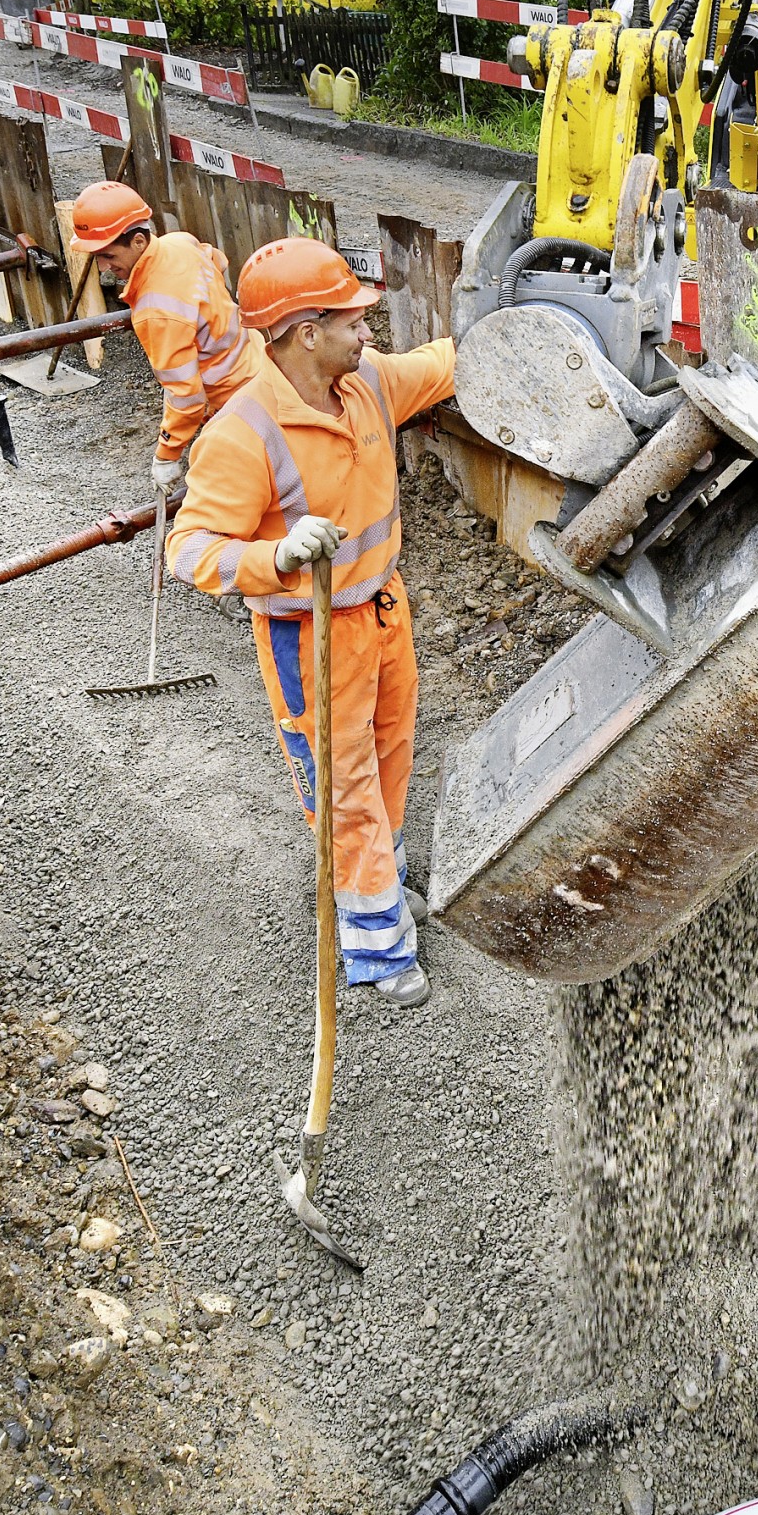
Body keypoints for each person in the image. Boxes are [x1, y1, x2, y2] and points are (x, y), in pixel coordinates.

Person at [166, 237, 457, 1005]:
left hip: (383, 613)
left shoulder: (365, 385)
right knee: (344, 787)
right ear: (306, 333)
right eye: (353, 320)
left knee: (392, 755)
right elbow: (190, 550)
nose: (369, 332)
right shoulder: (245, 431)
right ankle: (378, 948)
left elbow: (443, 363)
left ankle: (381, 888)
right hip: (311, 633)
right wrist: (277, 557)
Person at [68, 180, 264, 492]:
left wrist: (166, 453)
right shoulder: (179, 243)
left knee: (242, 491)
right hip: (258, 364)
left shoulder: (156, 311)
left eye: (107, 255)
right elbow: (217, 261)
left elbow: (187, 396)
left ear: (137, 242)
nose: (104, 267)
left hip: (235, 403)